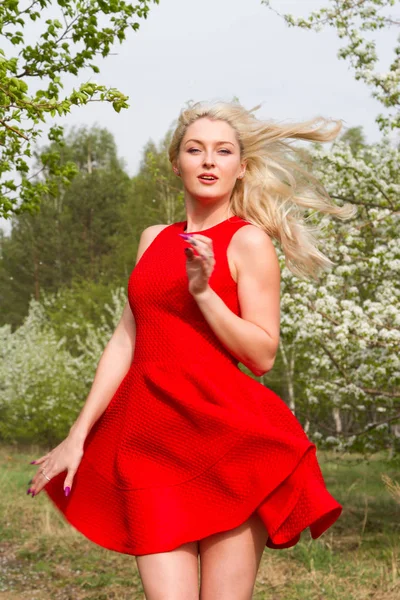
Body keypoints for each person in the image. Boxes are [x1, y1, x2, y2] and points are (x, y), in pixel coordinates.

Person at [27, 100, 354, 600]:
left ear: (240, 168)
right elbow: (126, 340)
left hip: (229, 443)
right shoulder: (153, 240)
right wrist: (78, 435)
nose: (208, 161)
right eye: (195, 149)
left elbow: (263, 355)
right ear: (175, 162)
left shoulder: (248, 243)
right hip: (150, 444)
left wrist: (203, 292)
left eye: (222, 151)